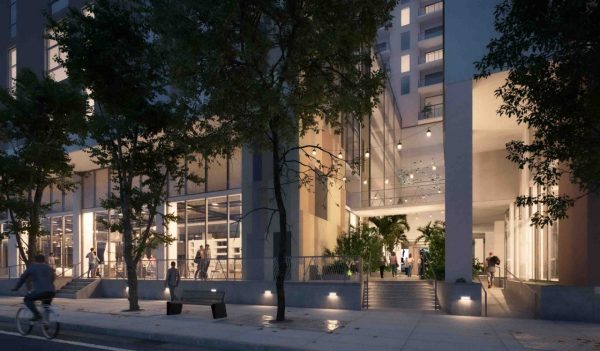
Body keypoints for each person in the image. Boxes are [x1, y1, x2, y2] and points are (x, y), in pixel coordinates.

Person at [11, 254, 56, 321]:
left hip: (40, 291)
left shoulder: (33, 267)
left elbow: (23, 278)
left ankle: (37, 315)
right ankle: (46, 324)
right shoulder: (49, 268)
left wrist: (16, 288)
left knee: (27, 299)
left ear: (35, 260)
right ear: (44, 260)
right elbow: (53, 278)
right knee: (46, 305)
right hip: (51, 292)